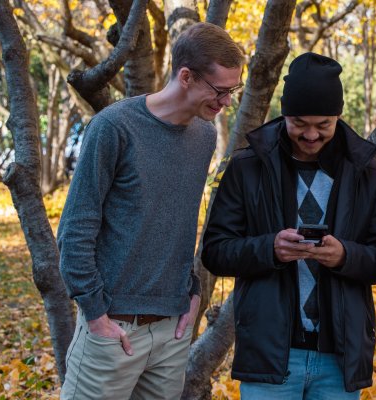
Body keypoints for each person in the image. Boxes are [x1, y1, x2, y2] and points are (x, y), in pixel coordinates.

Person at [57, 22, 244, 400]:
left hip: (173, 331)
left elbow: (178, 220)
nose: (227, 102)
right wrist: (95, 314)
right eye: (221, 91)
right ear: (186, 76)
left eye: (233, 91)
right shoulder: (114, 128)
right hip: (113, 328)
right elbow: (75, 230)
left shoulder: (204, 136)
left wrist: (191, 291)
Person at [202, 52, 376, 399]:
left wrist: (345, 257)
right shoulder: (247, 167)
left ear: (338, 116)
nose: (311, 135)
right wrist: (270, 249)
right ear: (284, 114)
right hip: (271, 354)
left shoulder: (366, 172)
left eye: (323, 125)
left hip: (339, 357)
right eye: (299, 123)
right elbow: (215, 252)